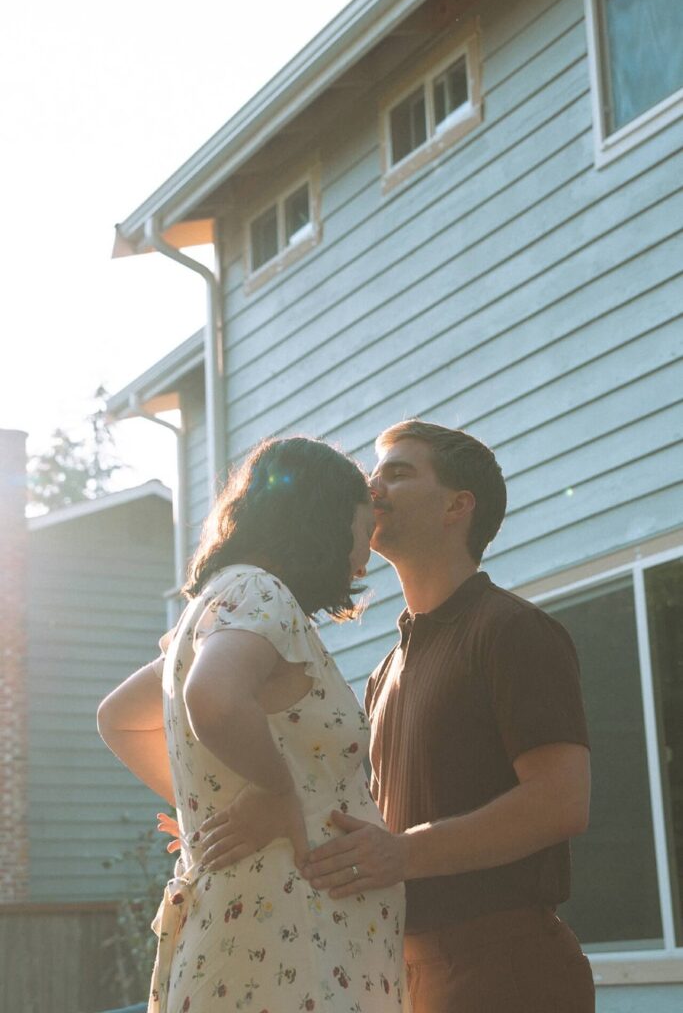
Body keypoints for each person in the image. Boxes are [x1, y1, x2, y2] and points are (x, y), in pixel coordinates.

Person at [97, 437, 407, 1013]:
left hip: (262, 933)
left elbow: (119, 719)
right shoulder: (260, 593)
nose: (364, 557)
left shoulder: (220, 604)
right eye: (362, 531)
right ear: (322, 523)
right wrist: (271, 790)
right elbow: (212, 700)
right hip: (293, 940)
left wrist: (210, 803)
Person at [299, 419, 595, 1012]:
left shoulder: (513, 631)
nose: (373, 487)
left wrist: (404, 853)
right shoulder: (384, 671)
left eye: (399, 473)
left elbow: (562, 801)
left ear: (458, 506)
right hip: (405, 976)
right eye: (373, 473)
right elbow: (369, 824)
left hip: (509, 974)